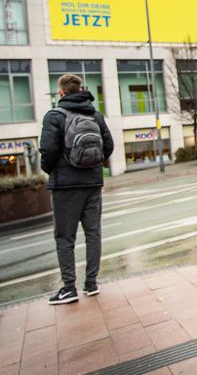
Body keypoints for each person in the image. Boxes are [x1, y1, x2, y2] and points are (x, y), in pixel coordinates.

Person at [39, 74, 114, 305]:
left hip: (65, 186)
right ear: (81, 89)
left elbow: (48, 151)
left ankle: (69, 288)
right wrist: (94, 167)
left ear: (61, 92)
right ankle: (91, 284)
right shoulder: (95, 115)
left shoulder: (54, 116)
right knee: (93, 234)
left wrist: (51, 170)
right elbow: (108, 146)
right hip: (93, 183)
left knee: (65, 237)